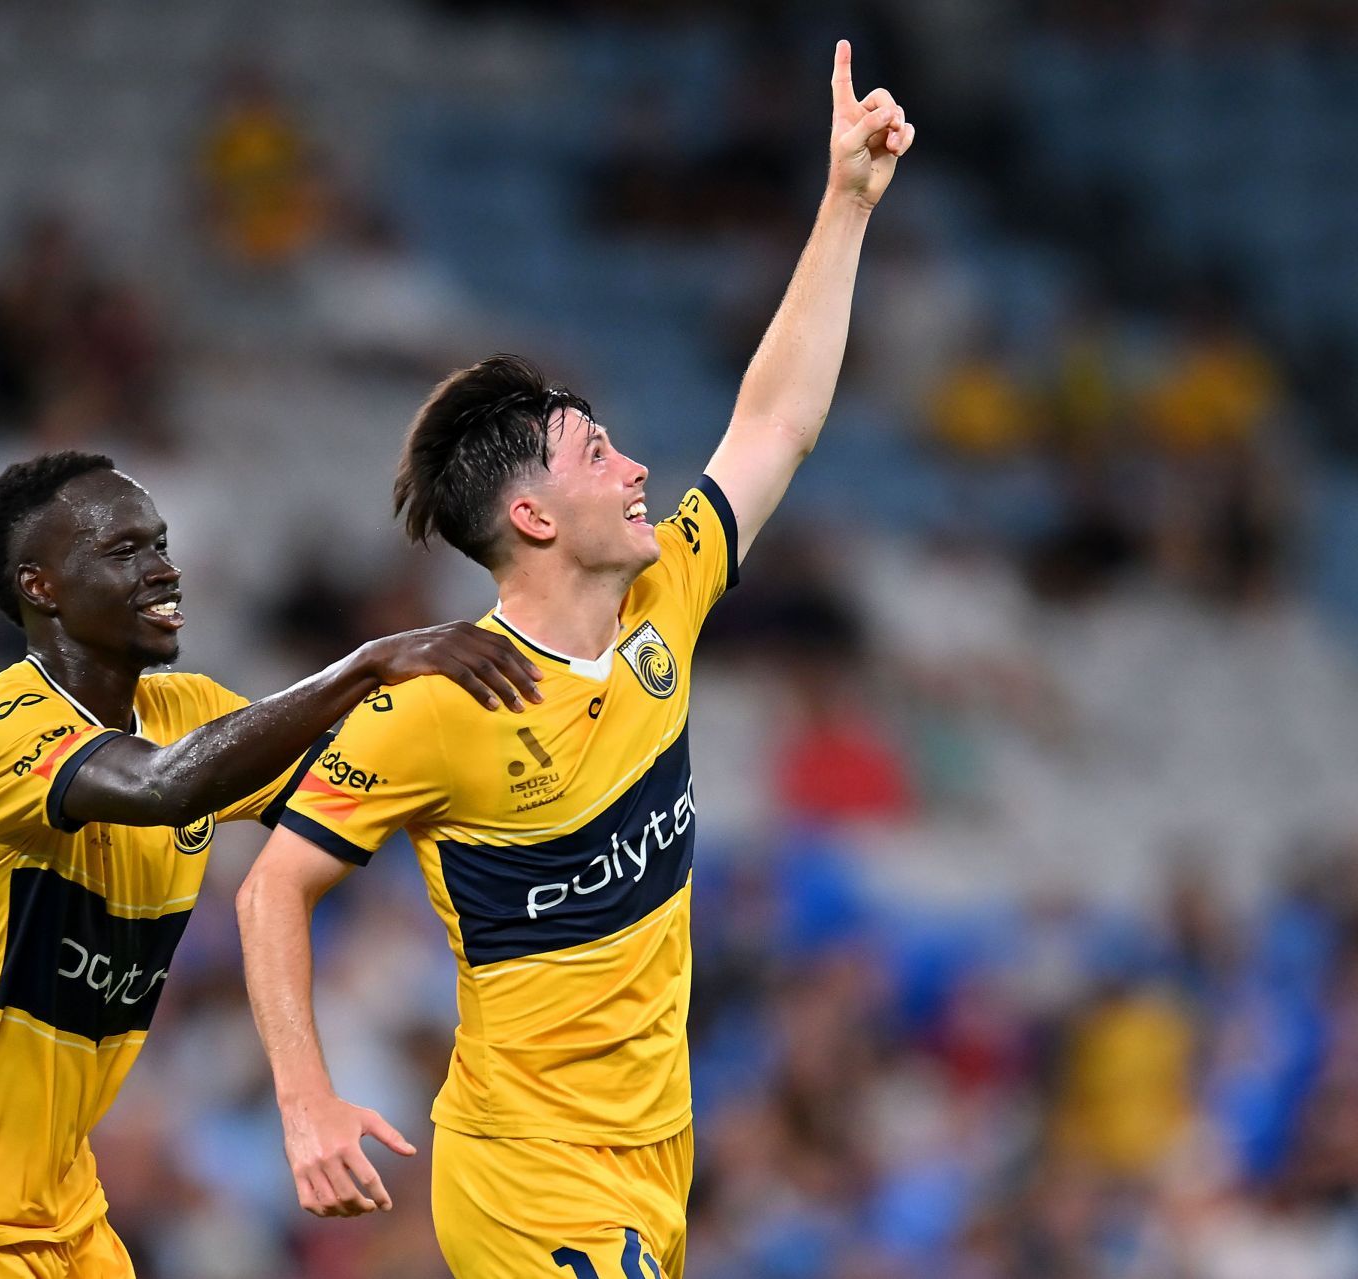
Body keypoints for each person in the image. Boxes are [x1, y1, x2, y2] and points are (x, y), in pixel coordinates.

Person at [236, 41, 912, 1277]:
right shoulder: (441, 703)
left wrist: (845, 204)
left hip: (654, 1161)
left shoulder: (667, 593)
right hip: (527, 1178)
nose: (636, 466)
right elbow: (271, 886)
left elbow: (775, 422)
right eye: (597, 452)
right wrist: (305, 1101)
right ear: (535, 518)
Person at [0, 449, 544, 1277]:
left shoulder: (189, 710)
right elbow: (163, 784)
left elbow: (354, 793)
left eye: (159, 544)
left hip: (58, 1204)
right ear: (40, 585)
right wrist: (367, 663)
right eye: (124, 552)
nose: (164, 569)